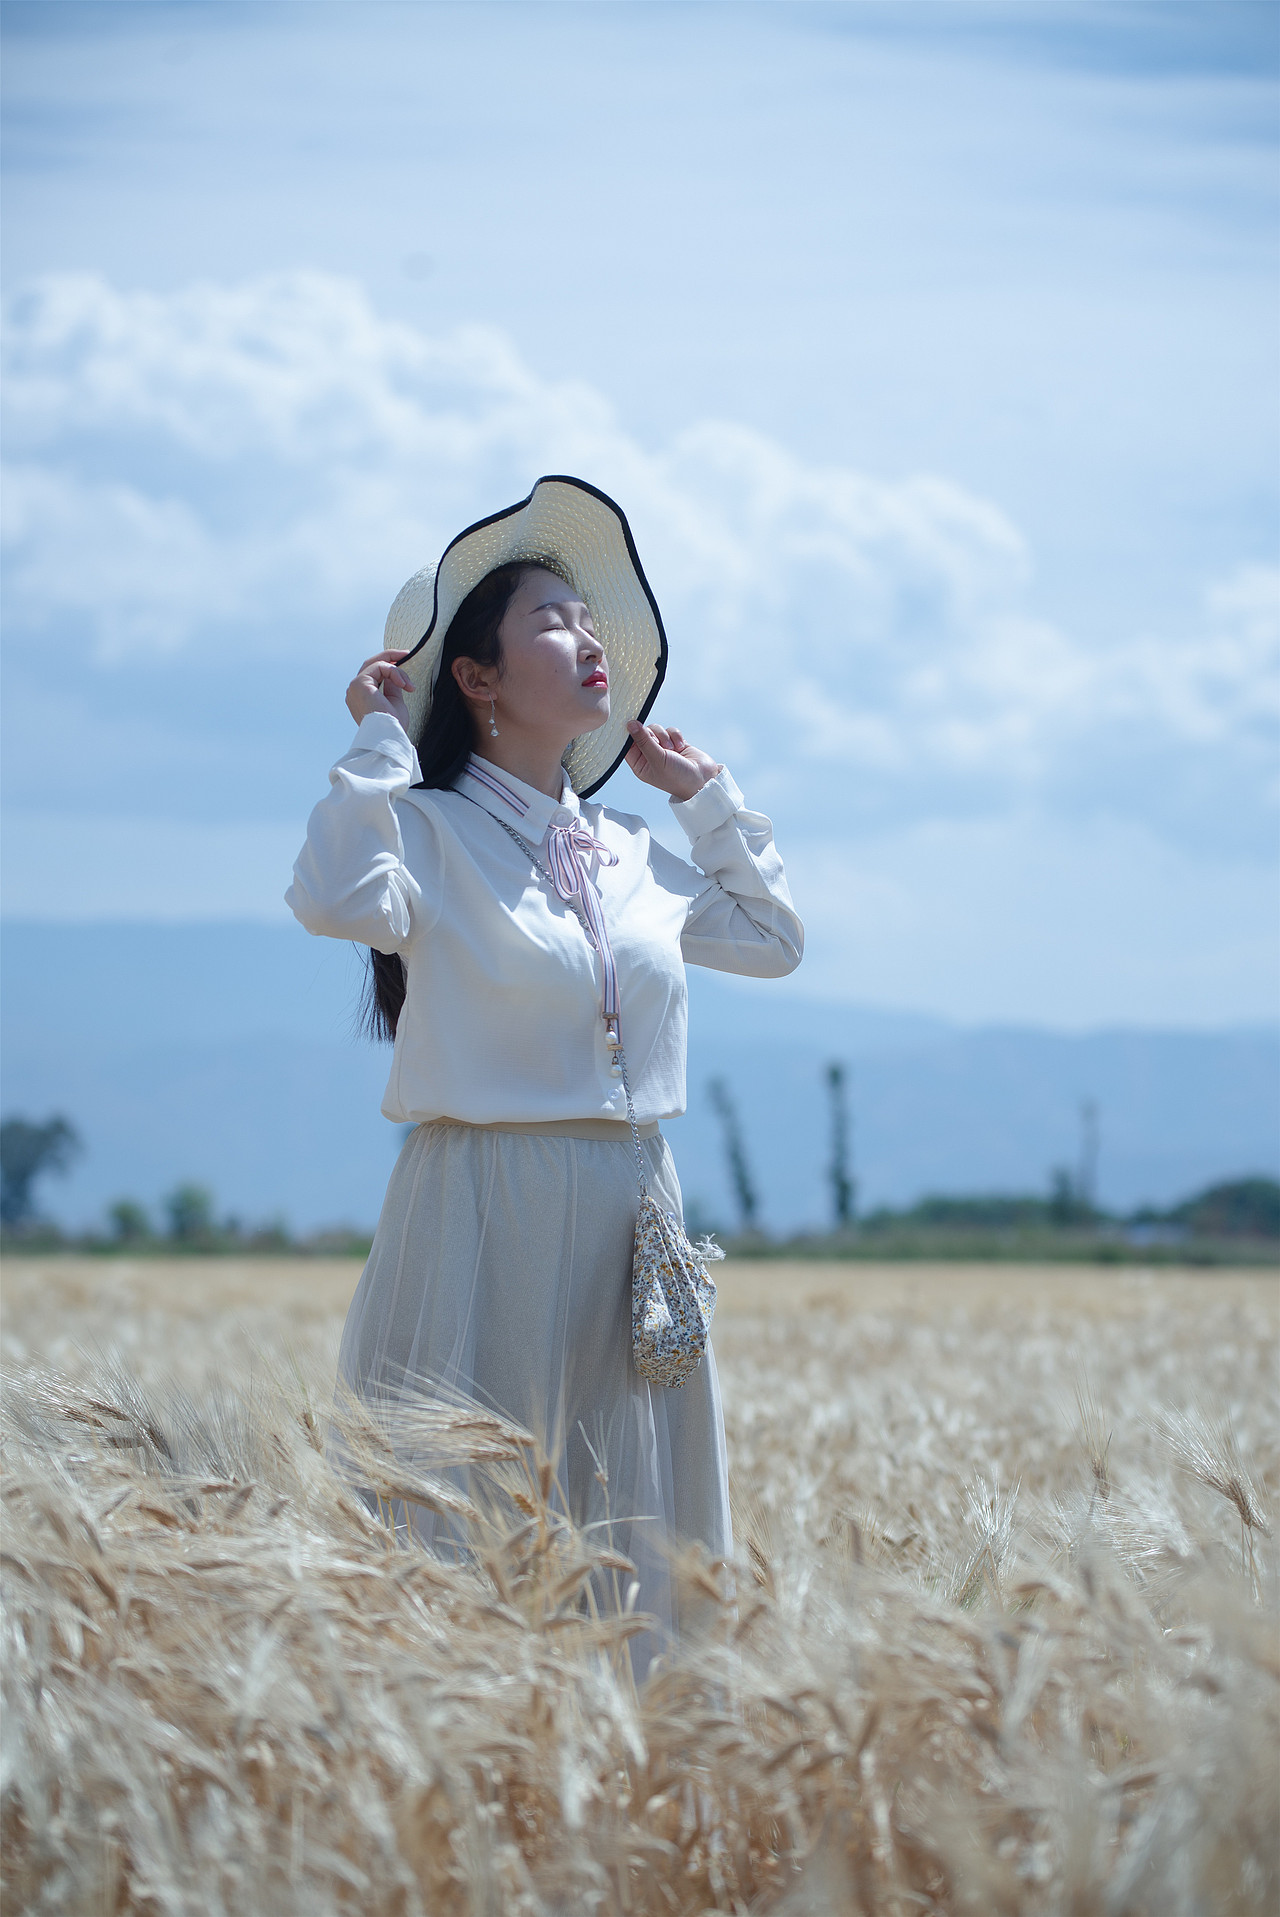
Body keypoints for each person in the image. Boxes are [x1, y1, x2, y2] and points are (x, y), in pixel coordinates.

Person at [286, 476, 802, 1675]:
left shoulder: (627, 851)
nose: (589, 642)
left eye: (590, 618)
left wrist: (706, 802)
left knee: (635, 1529)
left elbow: (771, 941)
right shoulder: (425, 832)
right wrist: (372, 741)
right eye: (553, 621)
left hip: (636, 1213)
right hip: (482, 1208)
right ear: (471, 676)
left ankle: (630, 1805)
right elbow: (331, 901)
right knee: (459, 1530)